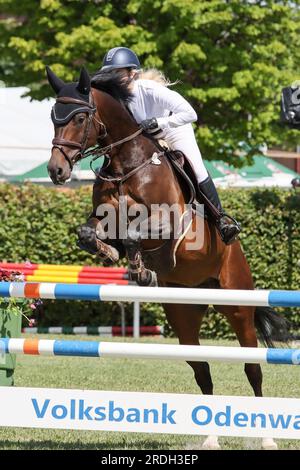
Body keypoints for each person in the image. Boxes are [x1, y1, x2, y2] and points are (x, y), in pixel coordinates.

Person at [98, 46, 241, 245]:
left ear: (132, 73)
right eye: (109, 73)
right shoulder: (116, 98)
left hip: (174, 129)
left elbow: (191, 113)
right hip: (147, 137)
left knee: (197, 170)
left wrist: (159, 122)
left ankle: (221, 220)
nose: (112, 77)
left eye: (117, 72)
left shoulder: (150, 90)